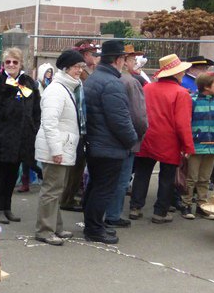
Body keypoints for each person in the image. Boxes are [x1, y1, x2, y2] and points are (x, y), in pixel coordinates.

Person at [82, 40, 137, 244]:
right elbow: (120, 120)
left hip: (97, 143)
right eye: (124, 58)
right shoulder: (112, 82)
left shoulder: (96, 77)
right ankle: (94, 229)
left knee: (96, 186)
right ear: (118, 59)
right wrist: (132, 140)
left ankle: (93, 225)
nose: (125, 62)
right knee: (103, 189)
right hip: (109, 146)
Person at [129, 54, 194, 224]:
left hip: (147, 136)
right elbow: (183, 124)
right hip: (169, 140)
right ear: (176, 73)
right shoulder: (182, 93)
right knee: (167, 177)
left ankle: (135, 207)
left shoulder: (148, 88)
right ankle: (160, 212)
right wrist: (188, 147)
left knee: (142, 173)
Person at [0, 47, 40, 224]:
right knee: (0, 175)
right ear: (3, 64)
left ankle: (7, 208)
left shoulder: (29, 83)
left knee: (13, 175)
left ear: (21, 63)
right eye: (8, 62)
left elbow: (36, 109)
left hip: (21, 139)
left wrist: (33, 128)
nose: (12, 65)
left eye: (15, 62)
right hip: (1, 139)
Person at [33, 50, 86, 245]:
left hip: (61, 146)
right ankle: (45, 231)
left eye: (81, 67)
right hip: (56, 148)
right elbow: (49, 122)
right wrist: (56, 150)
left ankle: (55, 227)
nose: (80, 70)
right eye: (76, 67)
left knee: (56, 189)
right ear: (66, 68)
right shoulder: (57, 90)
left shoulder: (66, 87)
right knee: (51, 190)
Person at [104, 45, 148, 229]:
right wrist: (137, 136)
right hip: (125, 140)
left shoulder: (100, 79)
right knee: (121, 180)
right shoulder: (130, 82)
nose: (134, 62)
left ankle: (103, 213)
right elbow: (139, 116)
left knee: (104, 180)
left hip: (104, 139)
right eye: (131, 59)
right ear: (123, 60)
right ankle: (113, 215)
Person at [181, 72, 214, 220]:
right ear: (206, 87)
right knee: (191, 178)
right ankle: (186, 204)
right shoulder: (192, 100)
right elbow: (186, 122)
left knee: (205, 178)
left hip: (212, 147)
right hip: (195, 146)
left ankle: (202, 206)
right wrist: (186, 144)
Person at [60, 41, 99, 210]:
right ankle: (65, 200)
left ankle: (69, 198)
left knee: (77, 168)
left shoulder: (88, 74)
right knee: (70, 169)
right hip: (70, 132)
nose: (95, 56)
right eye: (92, 53)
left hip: (80, 130)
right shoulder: (73, 80)